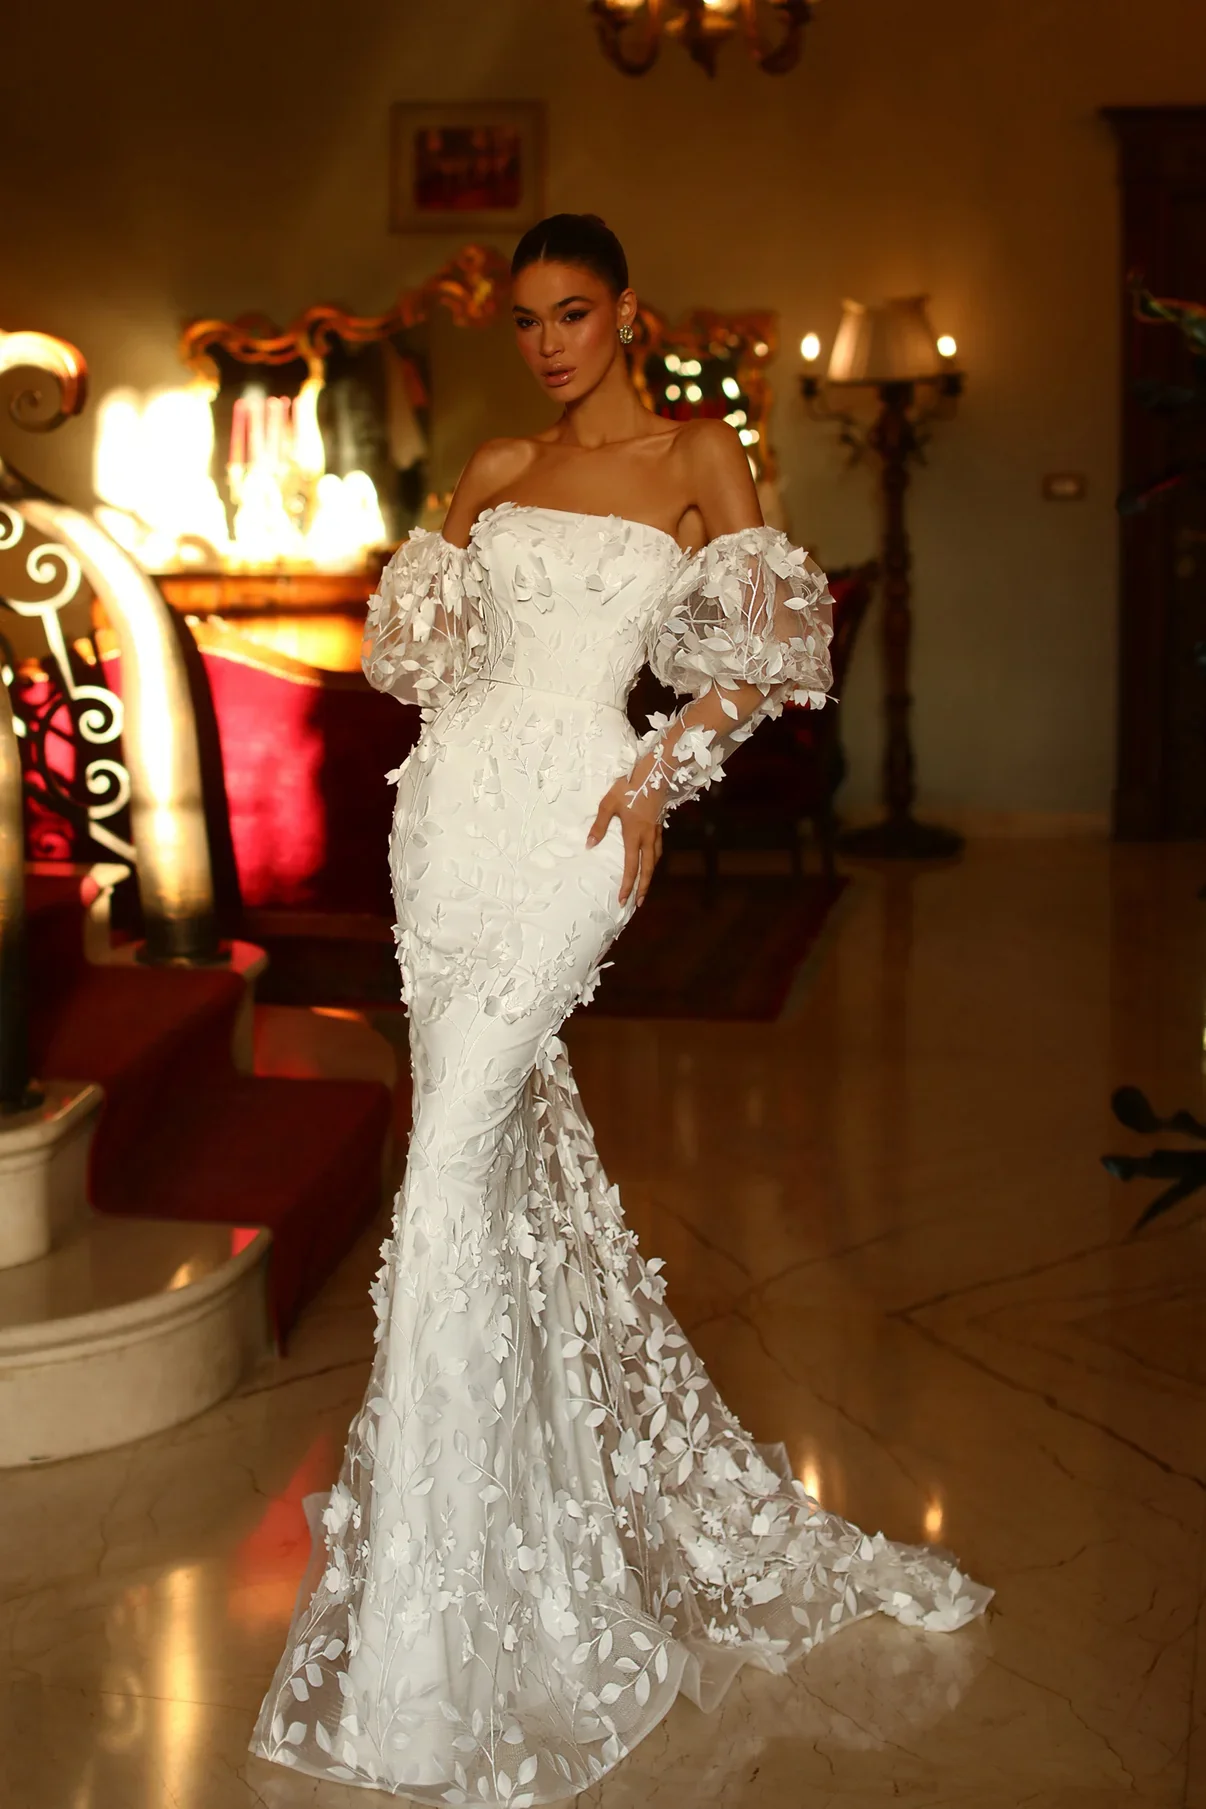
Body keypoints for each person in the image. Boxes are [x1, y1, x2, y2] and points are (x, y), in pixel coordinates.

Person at [251, 213, 991, 1805]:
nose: (545, 342)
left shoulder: (699, 454)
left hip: (579, 824)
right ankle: (460, 1570)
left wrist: (656, 775)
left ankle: (431, 1641)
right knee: (464, 1168)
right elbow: (421, 668)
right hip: (449, 823)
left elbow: (769, 657)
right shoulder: (496, 464)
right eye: (524, 319)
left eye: (571, 313)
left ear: (625, 313)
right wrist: (436, 575)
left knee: (447, 1172)